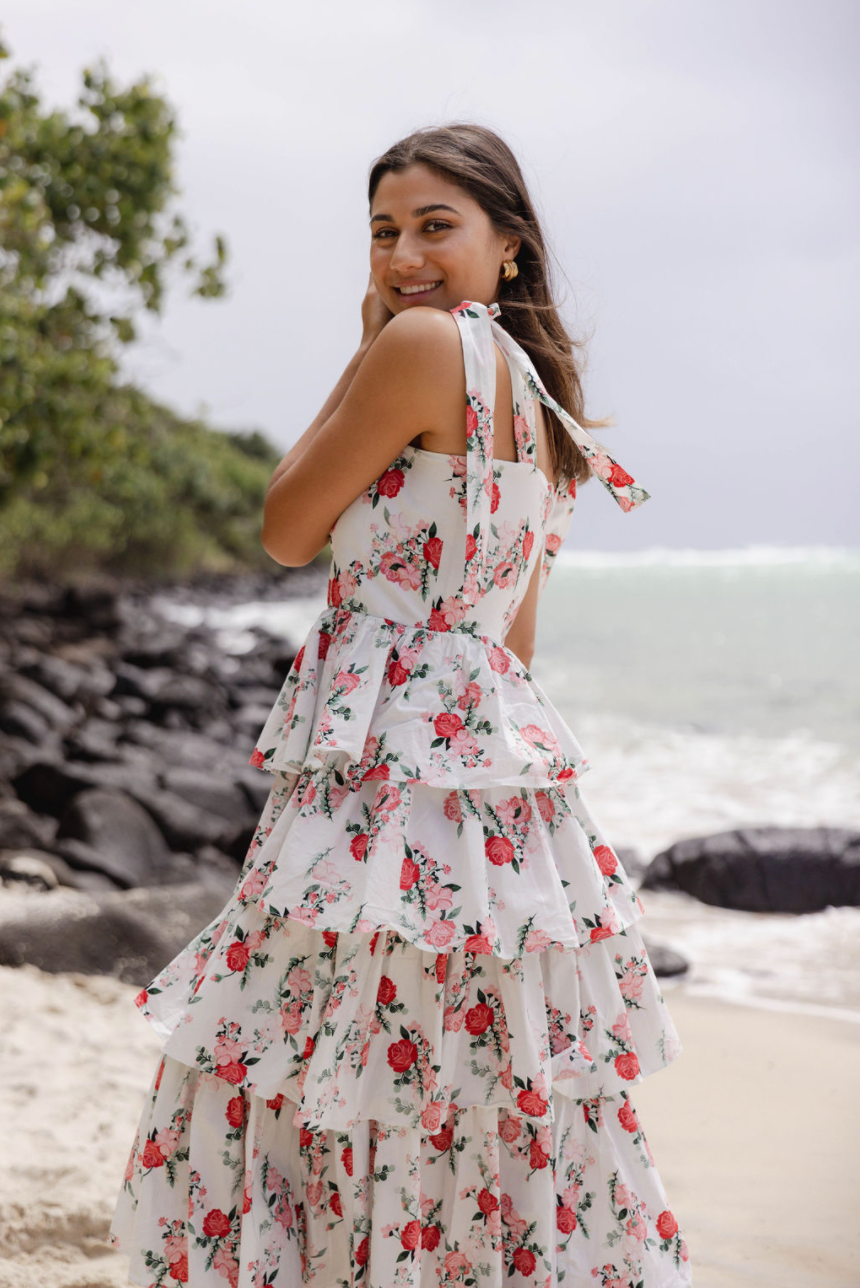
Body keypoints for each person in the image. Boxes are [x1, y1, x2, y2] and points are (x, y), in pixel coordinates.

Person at [107, 122, 692, 1287]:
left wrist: (364, 343)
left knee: (318, 1040)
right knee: (465, 1063)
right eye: (382, 231)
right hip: (489, 778)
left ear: (508, 247)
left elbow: (283, 526)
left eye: (436, 226)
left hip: (384, 764)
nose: (403, 254)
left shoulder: (420, 344)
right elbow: (509, 639)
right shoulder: (545, 402)